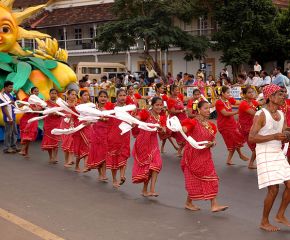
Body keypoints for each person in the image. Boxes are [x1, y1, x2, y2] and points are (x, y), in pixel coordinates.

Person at [249, 84, 290, 232]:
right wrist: (273, 136)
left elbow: (284, 135)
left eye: (283, 94)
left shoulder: (282, 115)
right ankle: (264, 221)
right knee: (273, 189)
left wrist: (286, 136)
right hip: (264, 153)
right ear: (270, 97)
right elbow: (251, 137)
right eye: (279, 94)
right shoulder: (261, 114)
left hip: (277, 152)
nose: (283, 96)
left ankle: (280, 215)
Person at [181, 101, 228, 212]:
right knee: (196, 180)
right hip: (193, 155)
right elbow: (184, 130)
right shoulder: (192, 122)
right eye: (205, 108)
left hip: (206, 155)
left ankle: (214, 204)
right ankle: (189, 202)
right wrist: (181, 128)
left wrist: (212, 144)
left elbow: (213, 141)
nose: (208, 111)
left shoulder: (211, 126)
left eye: (209, 108)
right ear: (199, 110)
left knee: (212, 178)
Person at [132, 97, 165, 197]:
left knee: (156, 164)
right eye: (157, 105)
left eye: (161, 105)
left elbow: (163, 129)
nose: (159, 107)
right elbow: (137, 118)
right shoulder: (146, 113)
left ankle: (152, 189)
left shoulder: (162, 117)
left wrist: (163, 129)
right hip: (143, 142)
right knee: (148, 168)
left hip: (153, 143)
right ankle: (145, 189)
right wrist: (134, 120)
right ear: (152, 105)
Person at [215, 86, 249, 165]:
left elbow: (238, 102)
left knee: (235, 141)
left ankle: (231, 159)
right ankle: (239, 155)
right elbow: (225, 113)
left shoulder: (228, 99)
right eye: (227, 93)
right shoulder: (219, 102)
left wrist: (247, 99)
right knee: (232, 142)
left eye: (229, 92)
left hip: (232, 123)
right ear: (222, 93)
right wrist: (237, 112)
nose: (229, 94)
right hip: (224, 125)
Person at [86, 90, 113, 181]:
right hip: (96, 133)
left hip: (107, 134)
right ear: (98, 98)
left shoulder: (110, 109)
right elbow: (90, 119)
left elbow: (113, 120)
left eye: (105, 97)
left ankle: (104, 174)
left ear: (107, 98)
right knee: (98, 153)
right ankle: (100, 173)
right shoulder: (94, 108)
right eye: (101, 96)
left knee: (105, 153)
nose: (103, 98)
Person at [106, 89, 131, 188]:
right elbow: (107, 119)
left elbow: (132, 121)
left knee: (123, 154)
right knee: (114, 157)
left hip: (125, 135)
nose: (122, 97)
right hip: (113, 135)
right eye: (120, 95)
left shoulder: (129, 108)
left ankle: (122, 176)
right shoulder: (112, 107)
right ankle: (114, 179)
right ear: (116, 97)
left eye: (124, 95)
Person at [238, 86, 260, 169]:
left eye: (252, 92)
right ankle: (251, 164)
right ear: (244, 95)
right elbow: (255, 113)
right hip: (246, 129)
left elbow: (260, 107)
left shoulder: (254, 102)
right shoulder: (244, 104)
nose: (251, 94)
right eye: (249, 92)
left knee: (257, 146)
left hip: (253, 126)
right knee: (256, 147)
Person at [153, 83, 178, 153]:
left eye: (163, 88)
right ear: (157, 89)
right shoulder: (154, 97)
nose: (163, 90)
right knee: (166, 133)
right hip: (158, 117)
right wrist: (160, 108)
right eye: (161, 88)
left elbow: (168, 103)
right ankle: (175, 146)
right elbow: (152, 107)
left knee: (166, 133)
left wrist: (166, 108)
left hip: (164, 116)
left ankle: (162, 147)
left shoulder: (164, 96)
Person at [19, 87, 42, 157]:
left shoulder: (40, 101)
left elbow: (37, 109)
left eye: (37, 91)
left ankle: (23, 150)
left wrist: (29, 105)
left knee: (29, 136)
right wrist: (24, 103)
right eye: (35, 91)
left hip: (33, 120)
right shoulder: (27, 99)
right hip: (25, 119)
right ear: (31, 92)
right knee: (26, 136)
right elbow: (19, 105)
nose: (37, 93)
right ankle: (25, 151)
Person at [73, 90, 92, 173]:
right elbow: (73, 117)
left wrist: (90, 122)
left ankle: (86, 166)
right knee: (78, 149)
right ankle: (77, 164)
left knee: (87, 146)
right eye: (85, 95)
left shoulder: (91, 107)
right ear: (80, 96)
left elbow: (94, 117)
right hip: (79, 129)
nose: (87, 97)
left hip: (87, 128)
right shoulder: (77, 106)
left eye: (88, 95)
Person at [41, 89, 61, 164]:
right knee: (49, 140)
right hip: (48, 124)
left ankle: (55, 157)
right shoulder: (45, 103)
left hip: (57, 124)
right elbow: (43, 113)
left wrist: (58, 114)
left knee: (56, 140)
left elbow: (62, 113)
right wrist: (49, 113)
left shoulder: (59, 104)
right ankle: (50, 157)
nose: (53, 95)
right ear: (49, 94)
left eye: (55, 93)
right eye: (52, 93)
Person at [167, 85, 187, 157]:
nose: (178, 91)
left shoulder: (179, 97)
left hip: (183, 118)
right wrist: (182, 110)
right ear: (172, 91)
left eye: (178, 90)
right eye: (176, 90)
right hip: (176, 120)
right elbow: (172, 111)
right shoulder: (170, 100)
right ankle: (180, 150)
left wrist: (195, 98)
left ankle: (180, 150)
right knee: (182, 136)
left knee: (186, 135)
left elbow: (186, 99)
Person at [0, 81, 19, 154]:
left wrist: (17, 94)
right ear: (5, 88)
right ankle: (6, 148)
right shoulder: (2, 96)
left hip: (13, 116)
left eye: (12, 87)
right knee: (8, 133)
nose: (11, 88)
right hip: (8, 118)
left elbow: (17, 101)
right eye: (10, 87)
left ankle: (13, 146)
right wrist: (9, 118)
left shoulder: (10, 94)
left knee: (14, 132)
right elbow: (4, 107)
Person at [60, 89, 77, 168]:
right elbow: (61, 113)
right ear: (68, 95)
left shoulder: (77, 104)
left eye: (75, 94)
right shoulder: (64, 104)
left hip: (73, 124)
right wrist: (68, 115)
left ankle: (70, 159)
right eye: (72, 94)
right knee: (66, 143)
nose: (74, 96)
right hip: (65, 125)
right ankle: (66, 161)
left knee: (72, 141)